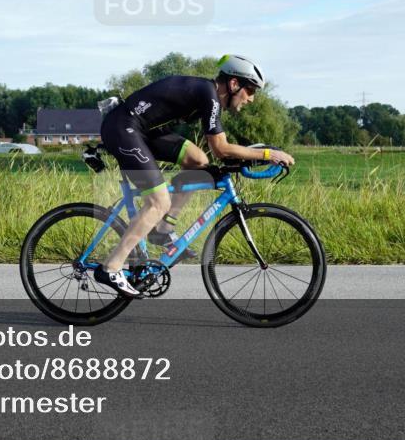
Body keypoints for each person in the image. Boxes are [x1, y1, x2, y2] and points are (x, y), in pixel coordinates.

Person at [94, 55, 295, 297]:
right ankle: (111, 267)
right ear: (234, 84)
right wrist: (267, 154)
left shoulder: (208, 94)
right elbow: (221, 149)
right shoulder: (209, 94)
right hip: (123, 128)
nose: (251, 98)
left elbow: (215, 151)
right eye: (250, 90)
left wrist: (249, 156)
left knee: (199, 161)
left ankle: (162, 228)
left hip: (140, 129)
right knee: (158, 202)